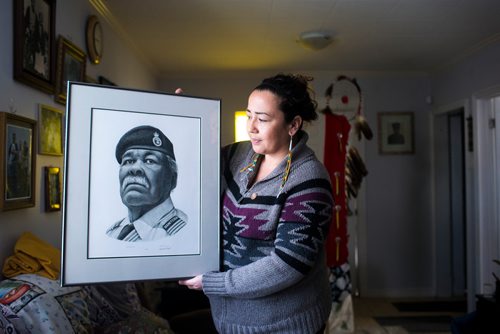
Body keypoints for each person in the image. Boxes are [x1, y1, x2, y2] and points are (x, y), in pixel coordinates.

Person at [179, 73, 334, 333]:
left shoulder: (310, 180)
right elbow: (191, 165)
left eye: (262, 119)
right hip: (229, 319)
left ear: (293, 125)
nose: (251, 126)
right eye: (249, 114)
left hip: (284, 324)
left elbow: (287, 265)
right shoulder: (238, 154)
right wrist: (180, 119)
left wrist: (214, 283)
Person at [106, 125, 187, 241]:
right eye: (128, 161)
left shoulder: (183, 232)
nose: (135, 168)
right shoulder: (113, 233)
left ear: (172, 179)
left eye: (149, 161)